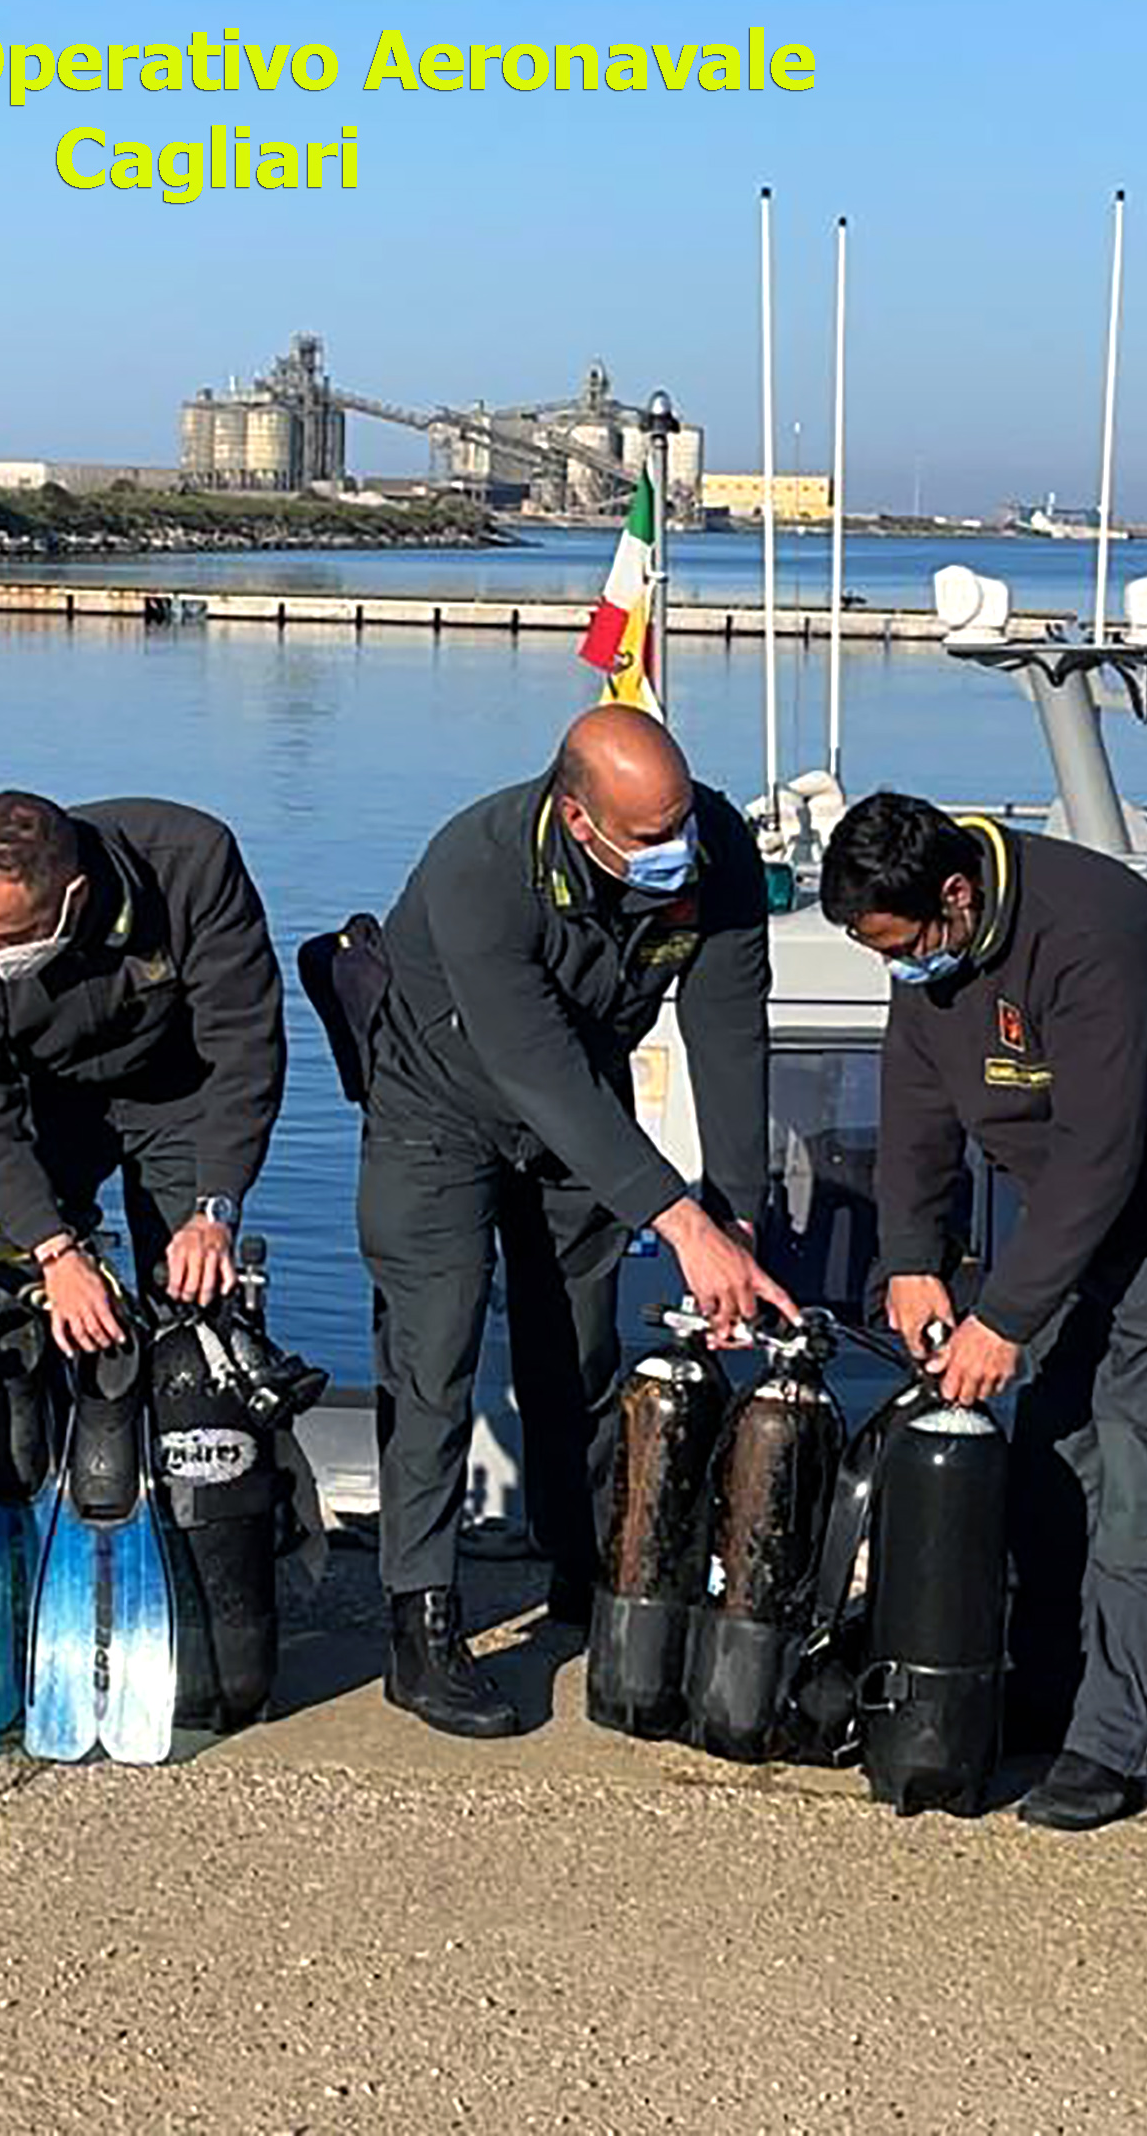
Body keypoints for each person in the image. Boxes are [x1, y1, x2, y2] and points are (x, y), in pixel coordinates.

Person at [820, 790, 1147, 1831]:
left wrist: (1005, 1316)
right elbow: (916, 1109)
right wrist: (913, 1259)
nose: (897, 968)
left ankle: (1110, 1748)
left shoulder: (1097, 934)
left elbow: (1102, 1157)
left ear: (956, 897)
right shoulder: (925, 953)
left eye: (900, 945)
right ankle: (1047, 1689)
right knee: (1056, 1466)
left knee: (1146, 1488)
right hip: (1052, 1219)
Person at [357, 705, 794, 1737]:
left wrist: (734, 1217)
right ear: (576, 816)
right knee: (437, 1355)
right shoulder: (480, 864)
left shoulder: (714, 847)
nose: (675, 850)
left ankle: (588, 1570)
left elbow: (729, 1030)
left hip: (583, 1111)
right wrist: (677, 1220)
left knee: (580, 1351)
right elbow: (527, 1061)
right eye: (648, 836)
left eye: (681, 820)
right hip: (440, 1108)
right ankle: (420, 1623)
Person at [0, 792, 287, 1349]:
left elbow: (244, 1045)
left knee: (189, 1298)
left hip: (177, 1089)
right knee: (21, 1308)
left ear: (74, 897)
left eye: (11, 936)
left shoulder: (193, 861)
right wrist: (54, 1249)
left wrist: (215, 1206)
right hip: (48, 1098)